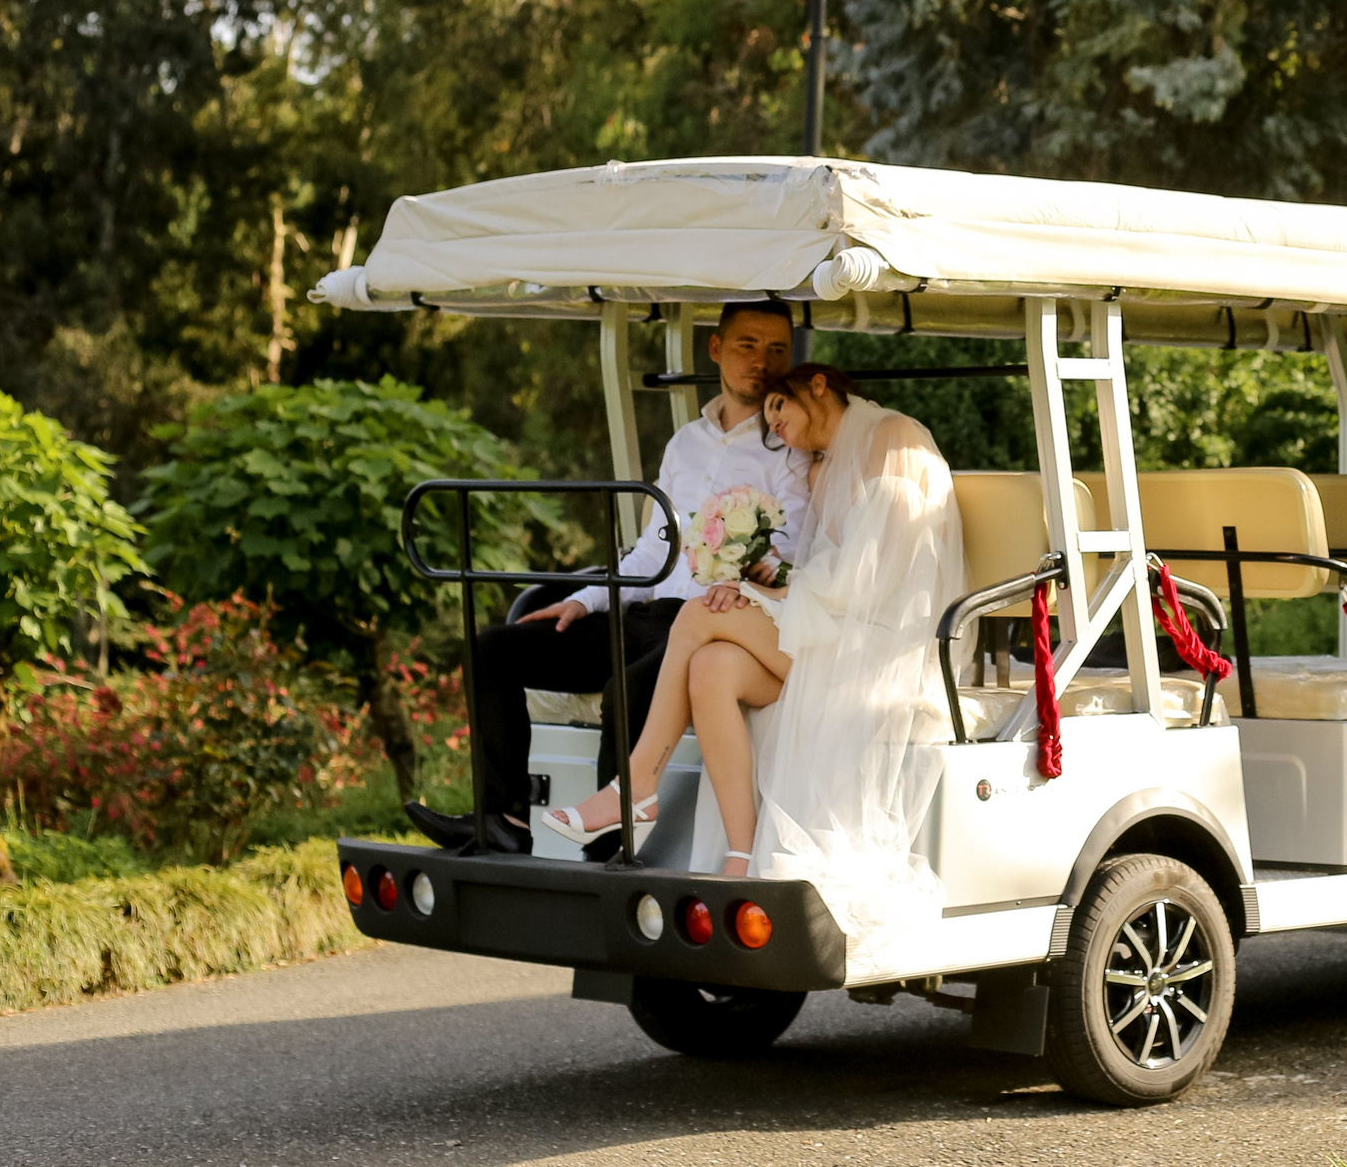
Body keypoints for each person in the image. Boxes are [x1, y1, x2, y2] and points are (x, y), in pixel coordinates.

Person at [544, 363, 965, 968]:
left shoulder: (893, 441)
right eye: (768, 417)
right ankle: (741, 853)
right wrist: (764, 577)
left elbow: (873, 583)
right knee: (712, 666)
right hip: (831, 625)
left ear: (818, 385)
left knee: (694, 618)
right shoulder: (826, 460)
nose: (776, 427)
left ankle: (635, 790)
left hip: (873, 644)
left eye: (779, 409)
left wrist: (768, 595)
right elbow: (824, 567)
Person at [405, 301, 808, 854]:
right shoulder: (684, 443)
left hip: (711, 623)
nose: (762, 361)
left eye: (777, 350)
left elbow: (789, 553)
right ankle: (502, 820)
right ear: (716, 349)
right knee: (492, 649)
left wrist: (751, 570)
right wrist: (589, 600)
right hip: (644, 614)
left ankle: (608, 849)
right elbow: (652, 551)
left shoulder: (790, 446)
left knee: (626, 692)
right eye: (747, 345)